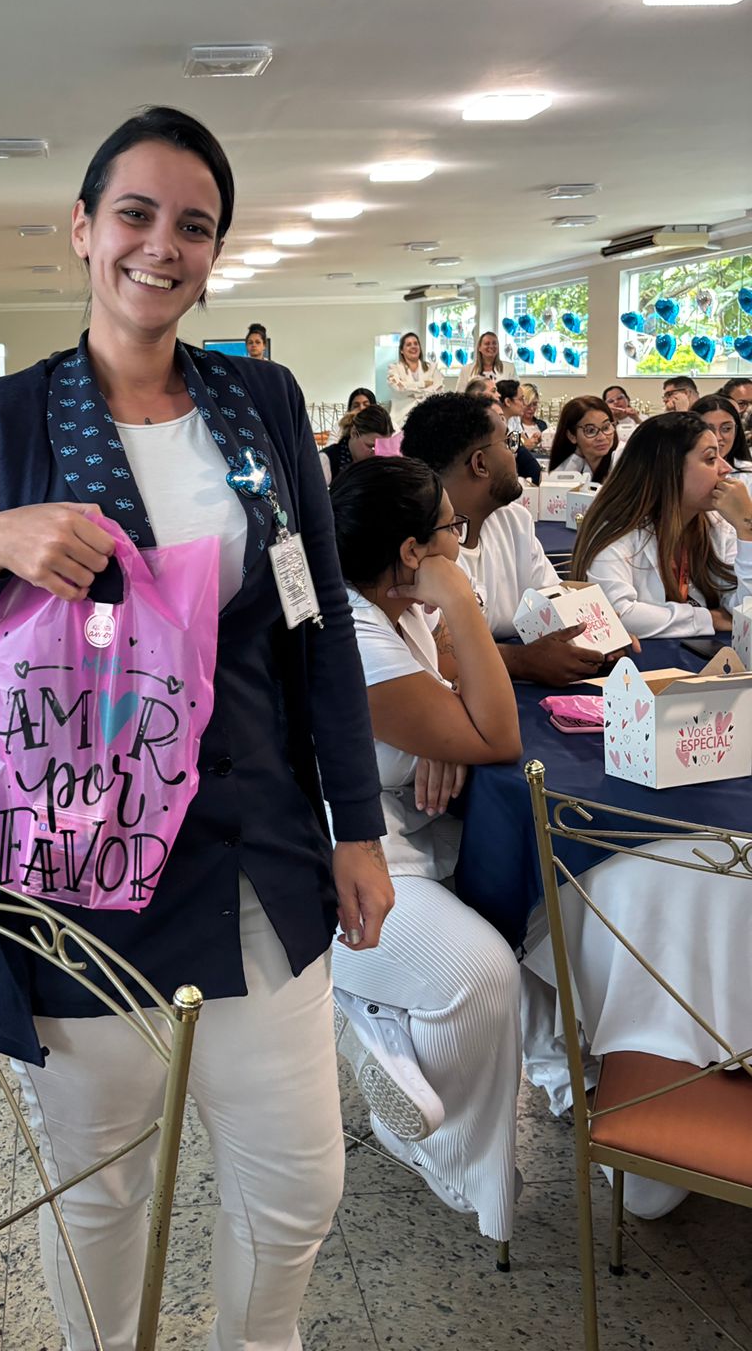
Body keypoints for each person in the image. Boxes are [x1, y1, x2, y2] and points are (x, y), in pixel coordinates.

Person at [0, 105, 392, 1351]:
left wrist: (359, 823)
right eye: (135, 213)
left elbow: (318, 618)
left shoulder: (259, 401)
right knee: (100, 1189)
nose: (161, 245)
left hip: (252, 843)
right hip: (77, 866)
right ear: (82, 228)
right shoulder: (6, 419)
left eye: (194, 225)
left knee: (296, 1183)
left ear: (214, 253)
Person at [328, 456, 522, 1241]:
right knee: (480, 976)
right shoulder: (352, 633)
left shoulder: (391, 612)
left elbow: (467, 701)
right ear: (412, 552)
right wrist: (461, 600)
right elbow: (499, 735)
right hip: (345, 865)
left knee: (537, 930)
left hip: (405, 840)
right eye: (451, 529)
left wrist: (449, 724)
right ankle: (368, 1029)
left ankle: (473, 1134)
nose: (461, 541)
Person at [403, 393, 607, 684]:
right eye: (509, 443)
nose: (516, 454)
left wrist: (600, 638)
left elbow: (551, 599)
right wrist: (519, 660)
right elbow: (429, 652)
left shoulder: (513, 522)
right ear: (480, 463)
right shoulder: (417, 549)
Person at [571, 412, 752, 637]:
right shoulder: (616, 530)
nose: (725, 468)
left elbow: (745, 608)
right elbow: (615, 615)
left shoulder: (715, 523)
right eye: (710, 459)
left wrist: (746, 528)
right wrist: (708, 618)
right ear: (669, 468)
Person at [546, 396, 621, 483]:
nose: (602, 437)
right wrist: (577, 457)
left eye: (606, 428)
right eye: (591, 431)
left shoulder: (621, 460)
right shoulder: (574, 464)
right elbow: (557, 485)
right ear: (572, 436)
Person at [319, 403, 393, 487]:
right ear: (354, 433)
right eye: (371, 446)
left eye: (382, 448)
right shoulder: (326, 462)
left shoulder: (382, 464)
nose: (376, 454)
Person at [386, 332, 444, 423]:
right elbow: (398, 388)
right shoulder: (394, 369)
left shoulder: (432, 368)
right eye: (408, 344)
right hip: (401, 419)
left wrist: (410, 391)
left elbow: (438, 391)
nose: (413, 346)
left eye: (416, 343)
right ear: (401, 350)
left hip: (428, 417)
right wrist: (423, 384)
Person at [495, 382, 542, 484]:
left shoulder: (514, 420)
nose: (524, 404)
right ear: (508, 402)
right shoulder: (495, 424)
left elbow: (517, 445)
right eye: (521, 399)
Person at [693, 394, 752, 471]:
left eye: (726, 429)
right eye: (708, 429)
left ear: (736, 430)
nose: (718, 437)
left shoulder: (748, 472)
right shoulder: (681, 473)